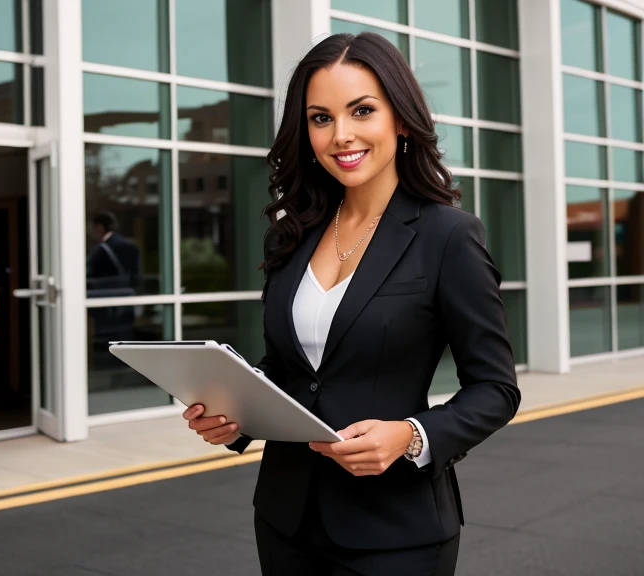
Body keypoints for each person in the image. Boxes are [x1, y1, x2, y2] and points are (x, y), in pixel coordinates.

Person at [183, 32, 520, 575]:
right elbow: (288, 369)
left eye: (362, 110)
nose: (341, 135)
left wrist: (412, 435)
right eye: (320, 118)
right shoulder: (290, 236)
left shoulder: (448, 237)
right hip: (286, 518)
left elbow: (497, 390)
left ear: (401, 120)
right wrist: (235, 414)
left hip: (395, 529)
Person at [86, 210, 141, 296]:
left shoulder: (102, 250)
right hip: (128, 296)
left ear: (100, 227)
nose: (91, 232)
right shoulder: (129, 245)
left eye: (92, 228)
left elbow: (89, 273)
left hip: (107, 297)